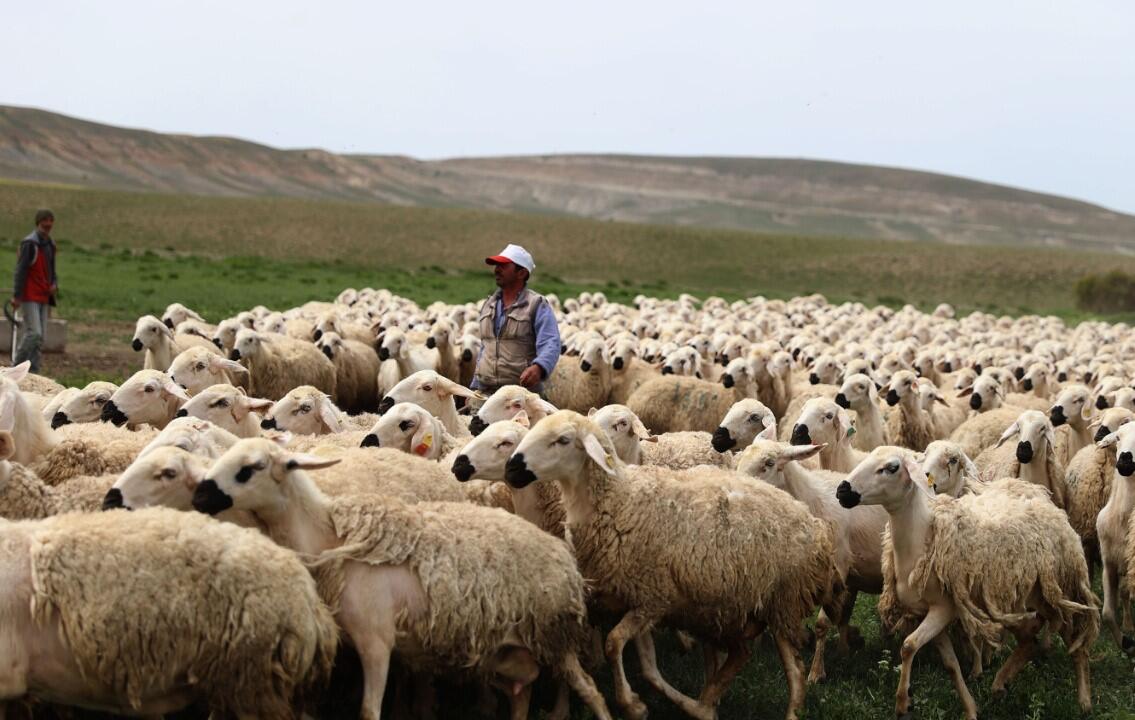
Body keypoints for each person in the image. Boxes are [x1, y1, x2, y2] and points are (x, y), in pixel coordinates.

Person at [471, 244, 560, 395]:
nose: (497, 269)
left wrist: (539, 367)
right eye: (497, 265)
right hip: (486, 393)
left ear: (522, 273)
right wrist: (475, 386)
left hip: (520, 396)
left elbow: (551, 342)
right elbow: (485, 348)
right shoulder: (488, 305)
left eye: (504, 266)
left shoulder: (536, 305)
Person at [12, 209, 58, 373]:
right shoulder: (29, 244)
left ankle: (34, 372)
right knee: (34, 333)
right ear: (38, 222)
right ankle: (16, 366)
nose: (48, 224)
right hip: (29, 294)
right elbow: (21, 270)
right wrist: (17, 296)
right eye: (45, 220)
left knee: (40, 338)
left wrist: (54, 283)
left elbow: (52, 270)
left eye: (50, 220)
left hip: (44, 295)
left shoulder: (50, 244)